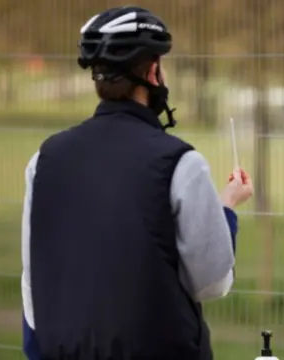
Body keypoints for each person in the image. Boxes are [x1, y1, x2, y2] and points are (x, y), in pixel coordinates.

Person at [20, 6, 254, 360]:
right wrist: (226, 209)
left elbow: (33, 280)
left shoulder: (43, 161)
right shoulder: (180, 164)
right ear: (152, 71)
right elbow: (212, 281)